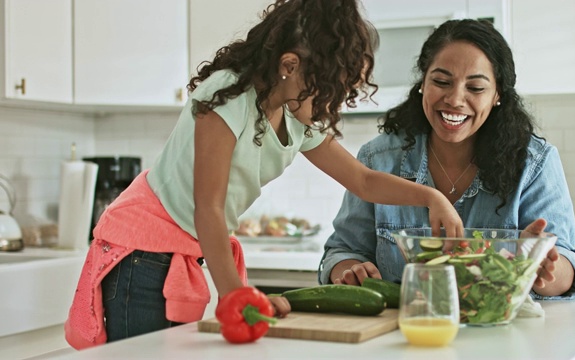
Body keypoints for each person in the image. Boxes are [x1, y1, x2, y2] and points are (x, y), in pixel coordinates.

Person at [64, 0, 464, 349]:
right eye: (329, 89)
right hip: (142, 250)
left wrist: (432, 197)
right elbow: (209, 207)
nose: (335, 105)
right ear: (289, 66)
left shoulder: (298, 117)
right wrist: (233, 293)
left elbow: (362, 180)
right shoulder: (228, 95)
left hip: (185, 249)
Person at [318, 19, 575, 300]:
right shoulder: (378, 159)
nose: (455, 99)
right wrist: (351, 270)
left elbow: (568, 269)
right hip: (405, 335)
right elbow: (343, 251)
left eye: (475, 88)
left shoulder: (534, 164)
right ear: (423, 82)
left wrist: (541, 266)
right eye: (441, 82)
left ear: (497, 94)